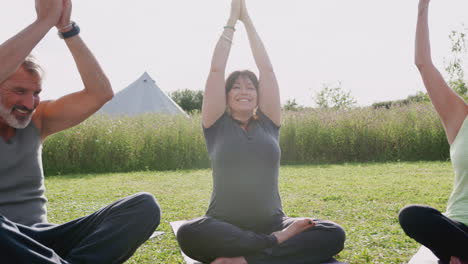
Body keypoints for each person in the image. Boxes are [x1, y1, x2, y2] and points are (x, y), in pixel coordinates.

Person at [176, 1, 345, 263]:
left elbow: (266, 69)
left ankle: (245, 260)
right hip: (224, 225)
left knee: (333, 233)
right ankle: (272, 246)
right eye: (236, 87)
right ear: (226, 95)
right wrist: (233, 20)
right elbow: (216, 70)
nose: (244, 91)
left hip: (273, 222)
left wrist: (248, 20)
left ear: (258, 96)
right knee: (188, 232)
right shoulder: (215, 125)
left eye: (250, 87)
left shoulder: (269, 123)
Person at [0, 0, 161, 263]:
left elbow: (100, 93)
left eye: (36, 93)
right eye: (19, 91)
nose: (30, 103)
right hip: (5, 240)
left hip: (43, 240)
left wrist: (66, 29)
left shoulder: (39, 119)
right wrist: (43, 22)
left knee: (143, 206)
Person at [398, 1, 468, 264]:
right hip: (457, 230)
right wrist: (422, 7)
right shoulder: (460, 118)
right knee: (412, 215)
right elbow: (423, 63)